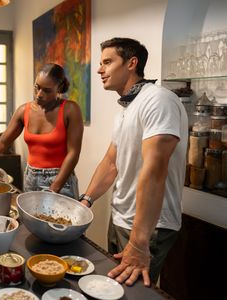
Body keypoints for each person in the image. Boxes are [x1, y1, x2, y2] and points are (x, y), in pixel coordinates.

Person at [80, 38, 188, 287]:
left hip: (148, 227)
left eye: (107, 62)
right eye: (100, 63)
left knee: (132, 294)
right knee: (112, 289)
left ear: (132, 63)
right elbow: (111, 163)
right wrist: (85, 201)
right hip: (119, 218)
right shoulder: (127, 110)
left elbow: (155, 170)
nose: (99, 69)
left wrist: (139, 242)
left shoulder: (159, 100)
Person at [0, 63, 83, 199]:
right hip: (31, 178)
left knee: (59, 220)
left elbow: (73, 153)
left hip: (60, 180)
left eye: (47, 90)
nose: (39, 95)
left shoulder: (70, 110)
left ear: (60, 87)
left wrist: (54, 188)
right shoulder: (23, 111)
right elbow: (3, 142)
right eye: (37, 87)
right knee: (30, 220)